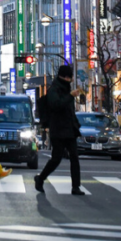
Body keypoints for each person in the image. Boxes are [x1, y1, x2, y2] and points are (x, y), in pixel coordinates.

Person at [35, 65, 85, 195]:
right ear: (66, 77)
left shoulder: (64, 88)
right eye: (70, 77)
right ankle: (40, 178)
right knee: (56, 158)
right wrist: (70, 96)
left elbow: (68, 110)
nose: (71, 79)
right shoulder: (55, 89)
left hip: (69, 129)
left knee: (74, 157)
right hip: (58, 130)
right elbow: (56, 105)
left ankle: (76, 186)